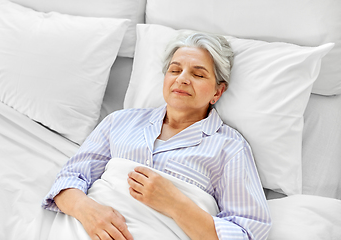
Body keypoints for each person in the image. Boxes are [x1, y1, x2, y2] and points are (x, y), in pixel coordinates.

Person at [42, 31, 272, 240]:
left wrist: (176, 203)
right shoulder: (119, 121)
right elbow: (68, 179)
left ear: (218, 92)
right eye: (174, 70)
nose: (182, 78)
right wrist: (87, 210)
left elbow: (246, 233)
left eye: (198, 74)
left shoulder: (229, 148)